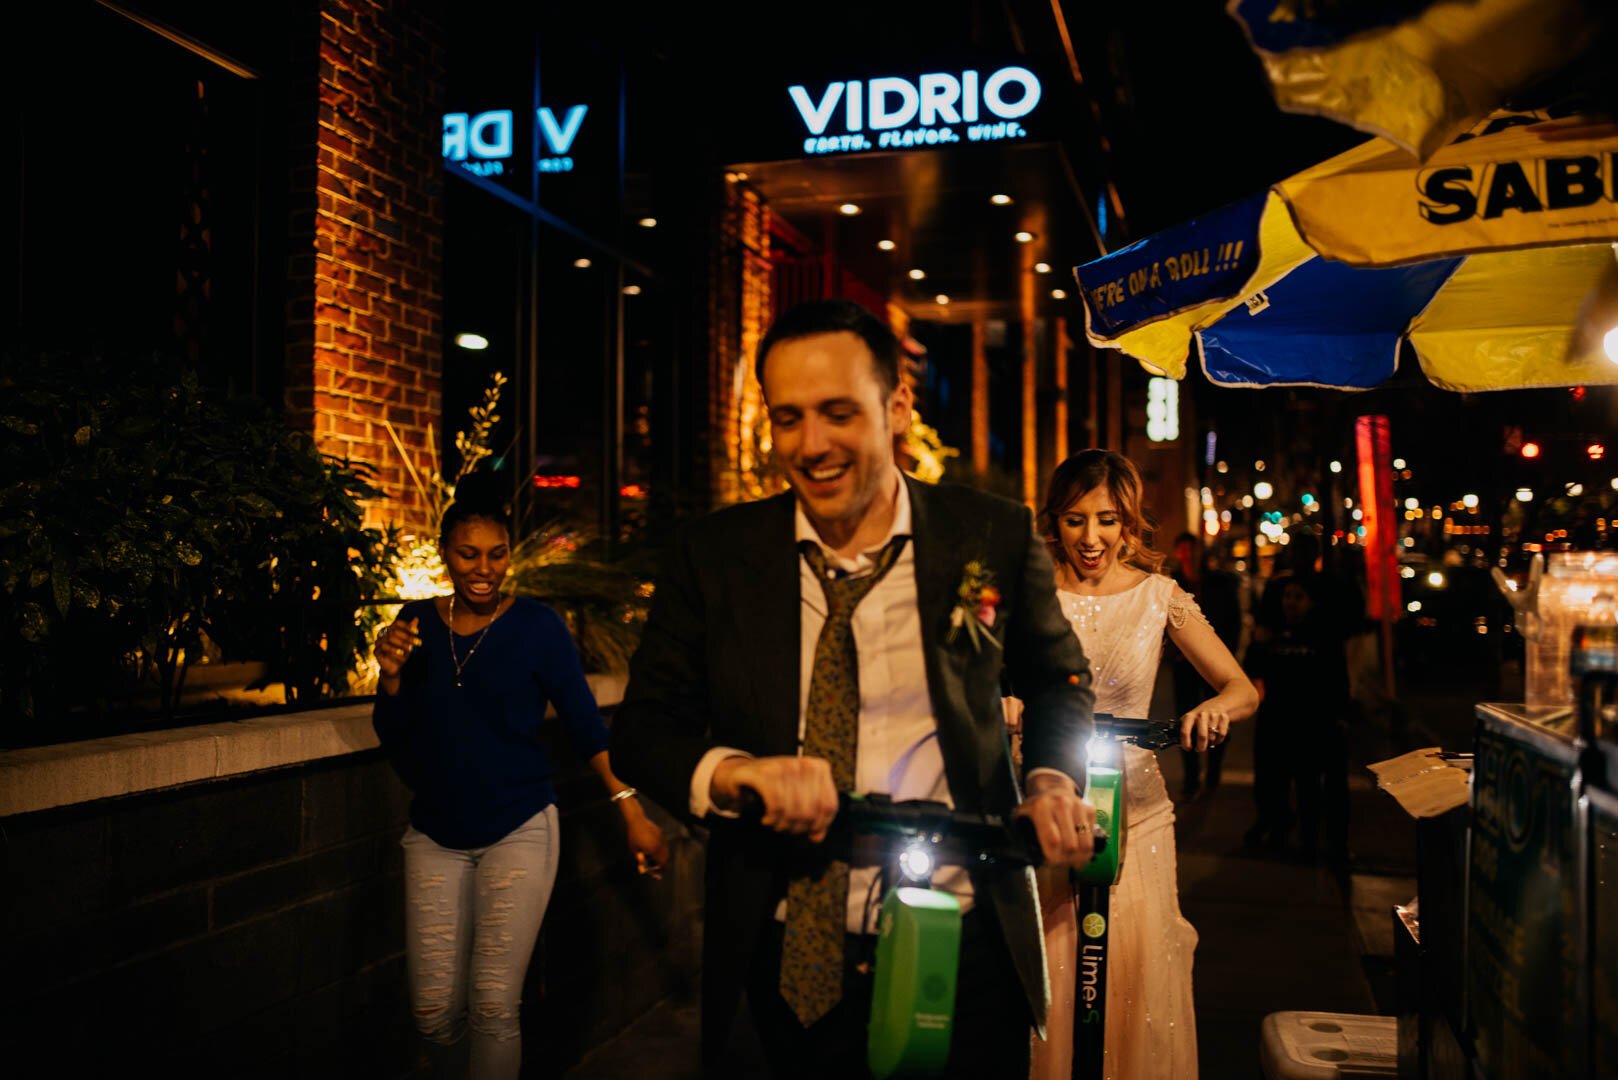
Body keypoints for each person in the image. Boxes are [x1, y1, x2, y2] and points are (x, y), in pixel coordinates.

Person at [609, 299, 1098, 1079]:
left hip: (960, 936)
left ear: (897, 406)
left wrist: (1047, 779)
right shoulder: (716, 554)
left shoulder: (989, 536)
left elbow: (1059, 677)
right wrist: (736, 772)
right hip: (777, 945)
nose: (811, 446)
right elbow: (644, 728)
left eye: (838, 413)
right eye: (788, 418)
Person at [371, 475, 668, 1079]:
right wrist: (391, 675)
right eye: (468, 553)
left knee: (491, 1007)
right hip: (434, 834)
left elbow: (587, 727)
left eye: (497, 553)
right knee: (432, 1015)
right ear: (445, 553)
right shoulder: (416, 624)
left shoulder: (537, 627)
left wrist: (632, 811)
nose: (484, 569)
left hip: (519, 829)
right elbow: (395, 734)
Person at [1030, 450, 1258, 1080]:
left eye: (1106, 519)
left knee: (1135, 967)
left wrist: (1213, 711)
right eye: (1075, 520)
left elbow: (1241, 689)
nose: (1091, 537)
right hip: (1046, 798)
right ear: (1056, 522)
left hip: (1136, 803)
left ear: (1129, 521)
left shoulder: (1161, 596)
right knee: (1048, 964)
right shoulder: (1030, 590)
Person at [1168, 534, 1243, 799]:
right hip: (1184, 666)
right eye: (1184, 550)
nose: (1189, 555)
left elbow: (1233, 620)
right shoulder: (1171, 583)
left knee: (1216, 716)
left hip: (1213, 663)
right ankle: (1191, 777)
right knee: (1185, 717)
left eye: (1193, 550)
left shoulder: (1220, 582)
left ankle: (1213, 770)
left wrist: (1226, 655)